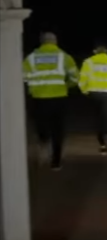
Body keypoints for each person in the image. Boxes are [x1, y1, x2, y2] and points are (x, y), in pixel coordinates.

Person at [22, 32, 79, 170]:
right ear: (55, 42)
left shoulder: (31, 58)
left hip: (39, 98)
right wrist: (66, 86)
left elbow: (24, 78)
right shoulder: (64, 56)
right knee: (58, 129)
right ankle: (56, 161)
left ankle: (44, 147)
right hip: (59, 97)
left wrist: (35, 86)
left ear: (42, 42)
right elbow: (75, 78)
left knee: (41, 126)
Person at [78, 43, 107, 155]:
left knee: (98, 118)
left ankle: (102, 144)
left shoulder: (88, 62)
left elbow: (82, 79)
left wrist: (85, 91)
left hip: (94, 93)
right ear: (106, 52)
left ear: (95, 51)